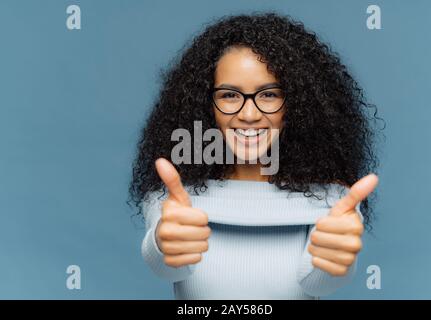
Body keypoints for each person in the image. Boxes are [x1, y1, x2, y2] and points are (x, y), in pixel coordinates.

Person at [128, 12, 381, 299]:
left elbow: (318, 283)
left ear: (296, 104)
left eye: (269, 95)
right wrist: (164, 243)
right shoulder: (173, 195)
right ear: (204, 104)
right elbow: (165, 268)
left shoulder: (333, 198)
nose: (249, 115)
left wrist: (335, 261)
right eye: (229, 96)